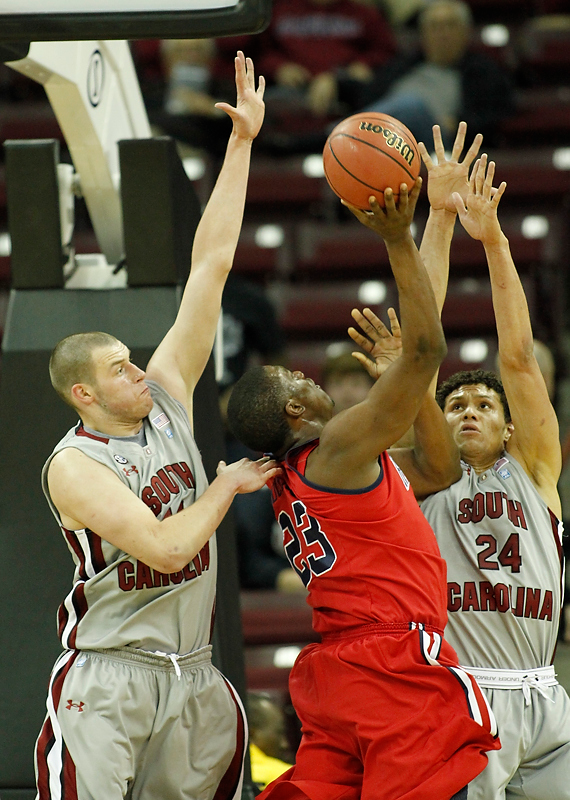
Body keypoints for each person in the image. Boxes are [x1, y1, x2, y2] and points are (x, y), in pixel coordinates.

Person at [34, 53, 279, 800]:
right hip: (110, 677)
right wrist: (227, 484)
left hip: (194, 671)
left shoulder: (167, 395)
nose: (139, 370)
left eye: (134, 359)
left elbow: (211, 264)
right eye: (118, 368)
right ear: (84, 392)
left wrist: (241, 145)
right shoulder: (74, 465)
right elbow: (171, 550)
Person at [227, 176, 500, 799]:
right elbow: (429, 348)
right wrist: (399, 238)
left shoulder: (321, 471)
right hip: (391, 666)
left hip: (341, 671)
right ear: (296, 412)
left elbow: (438, 468)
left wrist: (414, 386)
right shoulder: (338, 449)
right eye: (294, 376)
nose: (305, 372)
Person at [416, 124, 570, 799]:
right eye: (455, 406)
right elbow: (421, 349)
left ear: (509, 426)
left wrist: (497, 242)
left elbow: (519, 359)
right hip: (461, 694)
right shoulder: (422, 475)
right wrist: (440, 221)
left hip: (544, 692)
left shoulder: (536, 471)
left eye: (484, 405)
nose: (470, 411)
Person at [358, 0, 515, 149]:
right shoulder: (402, 65)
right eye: (435, 26)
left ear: (466, 31)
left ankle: (350, 133)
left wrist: (457, 124)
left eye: (450, 25)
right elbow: (368, 97)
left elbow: (497, 114)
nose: (442, 34)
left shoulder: (483, 71)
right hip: (390, 139)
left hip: (438, 143)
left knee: (412, 105)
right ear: (423, 33)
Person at [253, 0, 397, 118]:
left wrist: (363, 64)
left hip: (344, 91)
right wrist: (279, 67)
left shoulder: (363, 13)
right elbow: (259, 52)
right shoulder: (280, 10)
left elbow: (387, 52)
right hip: (293, 89)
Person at [248, 692, 293, 791]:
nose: (284, 744)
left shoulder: (216, 773)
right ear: (252, 734)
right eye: (279, 733)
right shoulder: (287, 777)